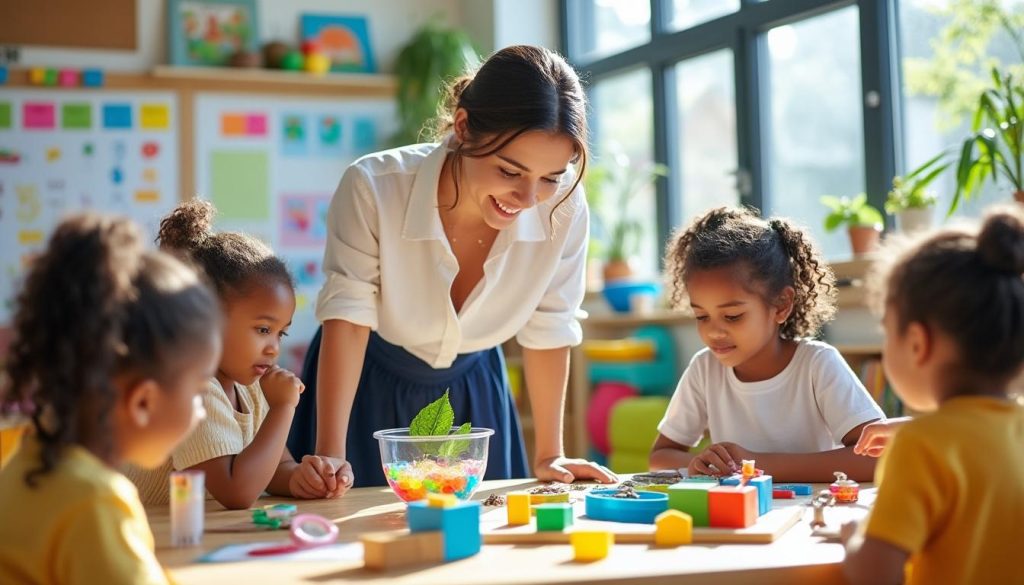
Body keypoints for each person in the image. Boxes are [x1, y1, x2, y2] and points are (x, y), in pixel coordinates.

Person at [288, 45, 614, 490]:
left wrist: (550, 454)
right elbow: (348, 316)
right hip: (364, 382)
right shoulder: (374, 187)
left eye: (551, 177)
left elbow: (551, 326)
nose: (529, 197)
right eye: (509, 171)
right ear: (463, 128)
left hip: (476, 390)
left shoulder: (564, 209)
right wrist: (331, 453)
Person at [0, 215, 221, 583]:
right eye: (199, 393)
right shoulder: (95, 502)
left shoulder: (24, 462)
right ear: (143, 402)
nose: (200, 413)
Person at [841, 206, 1024, 584]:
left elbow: (875, 575)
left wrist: (854, 538)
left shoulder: (919, 447)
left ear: (917, 343)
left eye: (887, 331)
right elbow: (978, 437)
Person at [649, 206, 884, 481]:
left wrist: (757, 465)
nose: (713, 332)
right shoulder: (704, 369)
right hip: (737, 520)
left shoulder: (816, 364)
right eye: (701, 316)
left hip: (808, 516)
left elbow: (876, 457)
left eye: (732, 316)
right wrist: (698, 463)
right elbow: (660, 457)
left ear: (781, 305)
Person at [127, 200, 334, 508]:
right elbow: (237, 491)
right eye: (263, 330)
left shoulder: (250, 387)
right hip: (155, 535)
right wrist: (283, 408)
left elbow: (274, 468)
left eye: (281, 333)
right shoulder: (196, 391)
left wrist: (302, 478)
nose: (274, 347)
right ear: (208, 319)